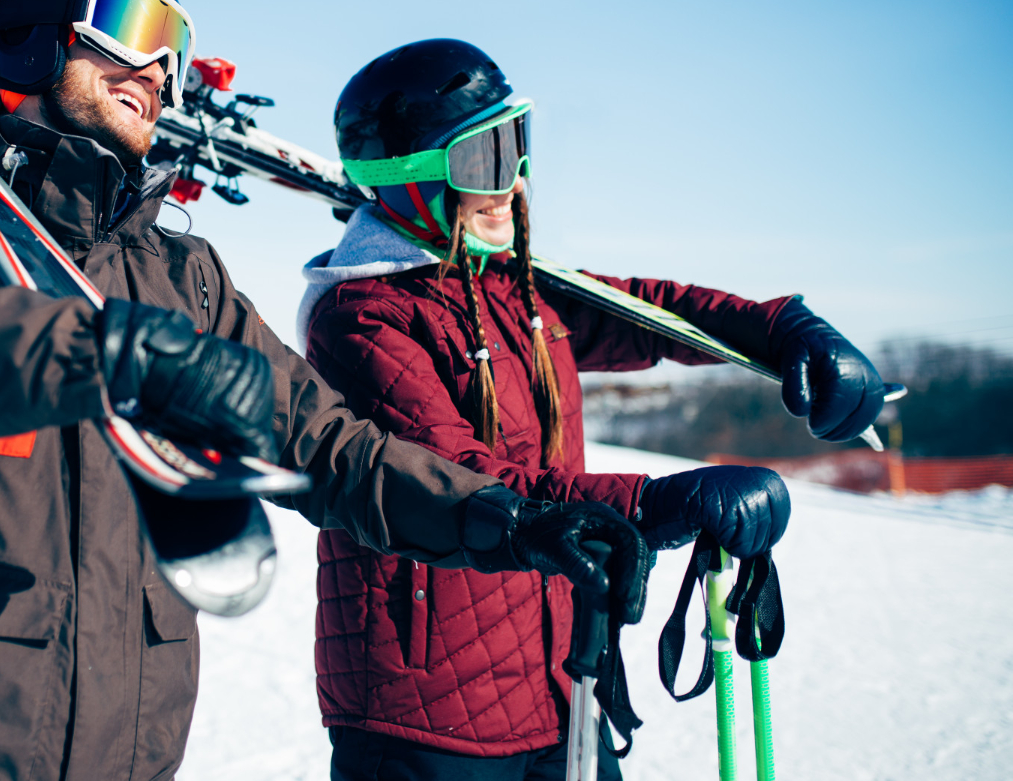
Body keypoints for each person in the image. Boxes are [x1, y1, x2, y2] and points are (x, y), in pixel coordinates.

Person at [0, 0, 651, 781]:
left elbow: (328, 446)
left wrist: (500, 519)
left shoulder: (184, 277)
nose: (159, 71)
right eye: (136, 30)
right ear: (33, 40)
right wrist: (101, 352)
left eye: (175, 49)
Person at [300, 39, 883, 780]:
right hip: (426, 718)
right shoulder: (362, 318)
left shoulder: (514, 288)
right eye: (484, 158)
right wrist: (655, 504)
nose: (513, 181)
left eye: (517, 143)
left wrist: (778, 328)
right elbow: (467, 482)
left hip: (560, 684)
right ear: (411, 179)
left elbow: (650, 312)